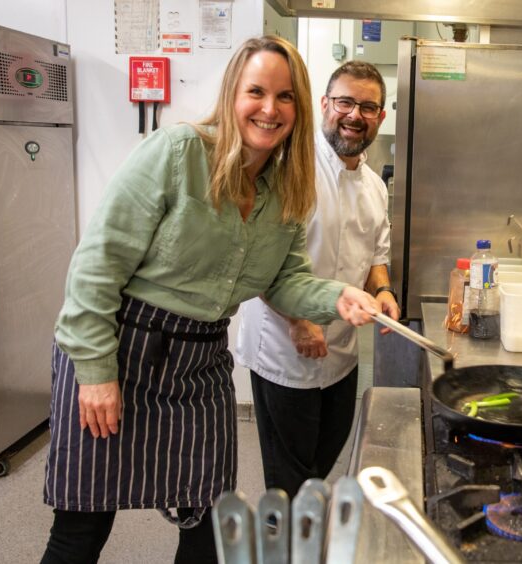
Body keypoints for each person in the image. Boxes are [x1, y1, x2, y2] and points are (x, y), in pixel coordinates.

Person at [40, 37, 378, 564]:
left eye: (285, 97)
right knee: (82, 525)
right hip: (120, 347)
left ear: (299, 108)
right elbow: (96, 265)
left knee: (209, 524)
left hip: (200, 360)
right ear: (232, 96)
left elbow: (286, 280)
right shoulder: (177, 153)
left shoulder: (287, 187)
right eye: (256, 92)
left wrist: (338, 297)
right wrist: (94, 371)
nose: (270, 109)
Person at [236, 61, 399, 498]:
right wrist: (296, 320)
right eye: (345, 101)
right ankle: (285, 545)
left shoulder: (374, 186)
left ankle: (301, 535)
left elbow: (375, 256)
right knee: (289, 479)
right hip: (283, 350)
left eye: (368, 106)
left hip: (342, 352)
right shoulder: (289, 169)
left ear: (381, 117)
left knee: (323, 461)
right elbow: (256, 262)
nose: (354, 115)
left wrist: (382, 289)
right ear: (325, 105)